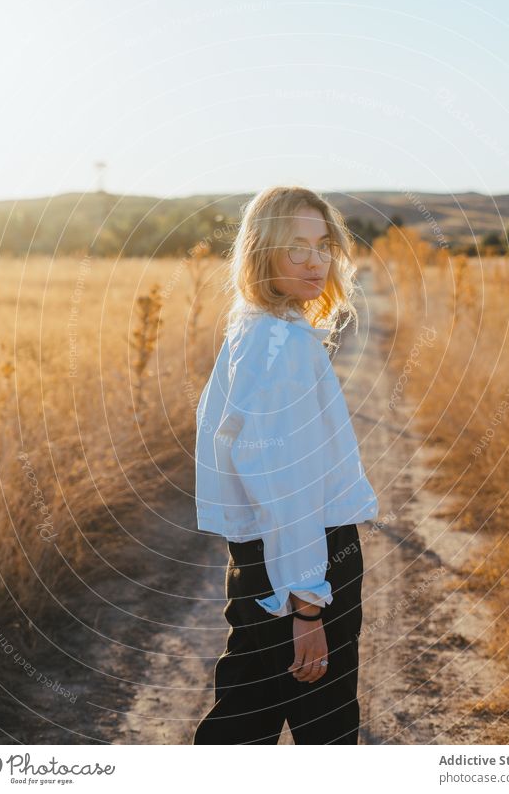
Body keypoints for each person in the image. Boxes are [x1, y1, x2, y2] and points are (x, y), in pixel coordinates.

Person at [192, 185, 378, 745]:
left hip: (263, 560)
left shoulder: (257, 326)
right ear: (261, 252)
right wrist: (306, 607)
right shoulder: (279, 342)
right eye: (296, 247)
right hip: (301, 565)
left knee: (246, 716)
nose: (315, 261)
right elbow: (283, 485)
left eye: (323, 246)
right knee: (324, 730)